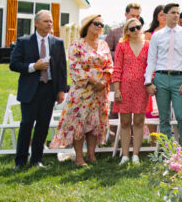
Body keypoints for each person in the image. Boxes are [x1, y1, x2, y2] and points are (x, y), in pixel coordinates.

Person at [51, 14, 114, 166]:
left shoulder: (104, 45)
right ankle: (79, 157)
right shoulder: (77, 45)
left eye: (101, 24)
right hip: (82, 90)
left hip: (100, 91)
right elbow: (74, 67)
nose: (99, 26)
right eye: (96, 23)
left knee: (95, 123)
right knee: (79, 122)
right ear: (87, 25)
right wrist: (93, 81)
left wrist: (103, 80)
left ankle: (91, 155)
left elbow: (110, 65)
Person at [9, 10, 68, 168]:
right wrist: (33, 67)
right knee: (26, 125)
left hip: (49, 89)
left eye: (51, 21)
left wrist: (61, 90)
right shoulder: (24, 41)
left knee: (42, 127)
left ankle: (36, 160)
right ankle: (20, 161)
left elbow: (62, 69)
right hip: (30, 90)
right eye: (46, 21)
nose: (49, 24)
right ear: (36, 23)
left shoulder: (57, 42)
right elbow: (13, 64)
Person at [144, 3, 182, 142]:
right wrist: (148, 81)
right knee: (164, 117)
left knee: (181, 116)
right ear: (165, 15)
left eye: (178, 13)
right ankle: (168, 152)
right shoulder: (157, 36)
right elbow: (151, 59)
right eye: (173, 12)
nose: (176, 15)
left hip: (179, 79)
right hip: (161, 78)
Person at [112, 17, 148, 164]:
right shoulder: (122, 46)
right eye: (132, 28)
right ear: (127, 31)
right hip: (125, 87)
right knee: (125, 121)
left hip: (142, 88)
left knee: (139, 121)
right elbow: (117, 68)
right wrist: (117, 89)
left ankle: (136, 155)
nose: (135, 31)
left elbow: (152, 66)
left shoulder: (148, 45)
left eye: (138, 27)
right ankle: (125, 155)